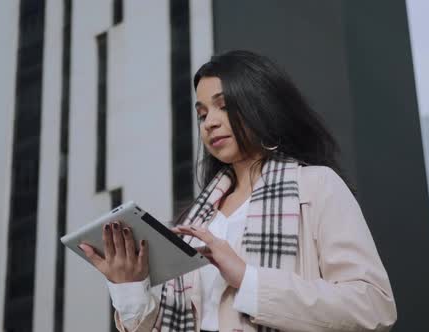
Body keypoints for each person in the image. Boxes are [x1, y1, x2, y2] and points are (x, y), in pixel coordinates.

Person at [79, 50, 397, 332]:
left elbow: (374, 308)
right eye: (202, 114)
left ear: (261, 104)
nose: (209, 123)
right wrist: (129, 288)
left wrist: (248, 280)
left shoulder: (316, 186)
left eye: (224, 106)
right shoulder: (196, 221)